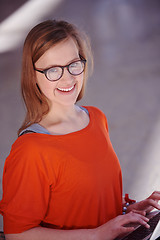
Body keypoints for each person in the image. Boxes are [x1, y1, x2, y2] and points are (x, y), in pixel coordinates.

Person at [0, 19, 160, 240]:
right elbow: (17, 234)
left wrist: (124, 212)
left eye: (73, 64)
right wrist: (97, 234)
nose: (67, 77)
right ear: (33, 75)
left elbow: (83, 201)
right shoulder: (30, 150)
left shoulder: (96, 117)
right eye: (52, 70)